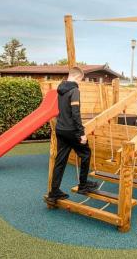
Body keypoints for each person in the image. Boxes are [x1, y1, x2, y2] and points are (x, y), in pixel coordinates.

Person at [46, 66, 98, 204]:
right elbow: (75, 113)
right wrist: (81, 134)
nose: (80, 82)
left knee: (60, 161)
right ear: (77, 77)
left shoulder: (60, 89)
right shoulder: (74, 90)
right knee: (86, 153)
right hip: (71, 131)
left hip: (60, 129)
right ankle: (83, 185)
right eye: (80, 79)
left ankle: (54, 192)